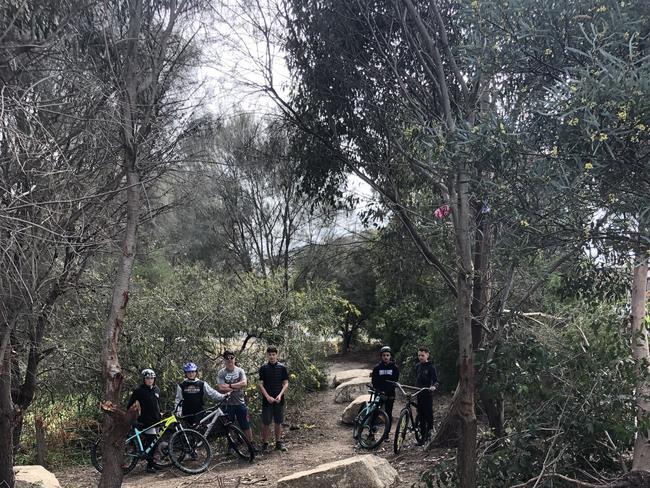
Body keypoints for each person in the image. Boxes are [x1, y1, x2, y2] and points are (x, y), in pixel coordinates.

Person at [216, 350, 257, 451]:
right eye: (227, 358)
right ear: (224, 360)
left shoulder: (240, 371)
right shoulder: (221, 373)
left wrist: (229, 386)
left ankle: (251, 445)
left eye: (231, 358)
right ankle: (231, 445)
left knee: (245, 424)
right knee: (228, 426)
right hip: (227, 404)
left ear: (234, 359)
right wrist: (236, 387)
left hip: (240, 403)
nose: (230, 360)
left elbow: (244, 383)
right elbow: (221, 388)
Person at [127, 368, 161, 473]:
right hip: (146, 420)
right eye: (147, 378)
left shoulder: (156, 390)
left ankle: (152, 462)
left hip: (156, 420)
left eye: (152, 378)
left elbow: (157, 404)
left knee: (155, 442)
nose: (150, 380)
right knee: (152, 442)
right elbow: (130, 405)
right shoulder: (139, 391)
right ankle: (149, 465)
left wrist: (161, 413)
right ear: (144, 379)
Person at [174, 362, 226, 426]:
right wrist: (178, 411)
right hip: (186, 413)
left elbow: (212, 393)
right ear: (185, 373)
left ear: (196, 372)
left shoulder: (202, 384)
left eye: (193, 372)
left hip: (199, 412)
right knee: (188, 432)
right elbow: (178, 399)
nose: (191, 374)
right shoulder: (181, 385)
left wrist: (222, 396)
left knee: (199, 430)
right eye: (189, 372)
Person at [258, 345, 289, 452]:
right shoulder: (263, 368)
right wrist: (267, 397)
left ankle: (278, 443)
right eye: (270, 354)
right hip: (267, 400)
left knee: (278, 422)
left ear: (277, 355)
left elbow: (285, 383)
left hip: (279, 399)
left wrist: (280, 395)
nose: (271, 356)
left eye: (273, 354)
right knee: (266, 422)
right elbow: (261, 384)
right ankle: (265, 443)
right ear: (267, 355)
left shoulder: (282, 368)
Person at [371, 346, 399, 438]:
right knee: (375, 412)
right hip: (378, 393)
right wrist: (379, 391)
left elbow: (395, 382)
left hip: (390, 394)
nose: (386, 357)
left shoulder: (395, 368)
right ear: (381, 356)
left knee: (388, 413)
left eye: (387, 355)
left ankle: (386, 434)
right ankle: (371, 432)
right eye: (384, 355)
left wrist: (387, 392)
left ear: (390, 356)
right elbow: (374, 381)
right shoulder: (377, 368)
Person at [414, 346, 439, 444]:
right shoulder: (417, 366)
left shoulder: (431, 367)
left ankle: (429, 432)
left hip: (427, 394)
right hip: (418, 393)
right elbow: (416, 379)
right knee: (420, 414)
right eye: (419, 355)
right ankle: (422, 439)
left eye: (422, 355)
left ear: (427, 355)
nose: (420, 357)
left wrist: (433, 387)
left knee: (428, 414)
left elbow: (436, 380)